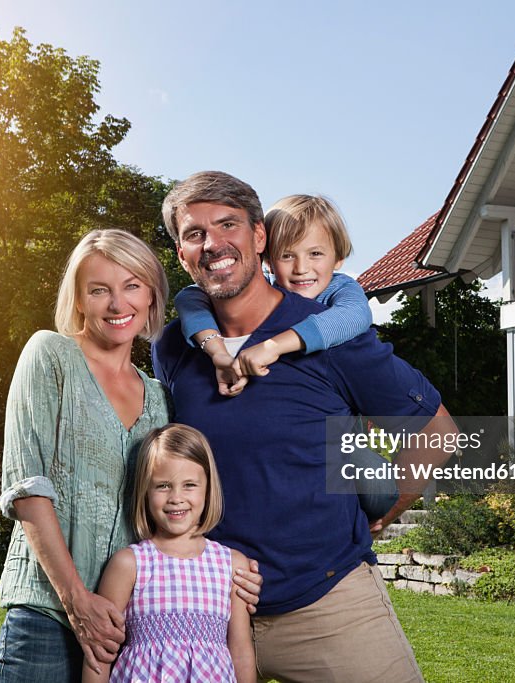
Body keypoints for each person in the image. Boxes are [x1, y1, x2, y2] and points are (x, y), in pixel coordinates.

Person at [153, 171, 457, 683]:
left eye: (227, 224)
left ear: (258, 236)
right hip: (208, 613)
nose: (213, 243)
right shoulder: (174, 348)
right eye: (194, 233)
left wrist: (383, 512)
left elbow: (439, 433)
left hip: (329, 602)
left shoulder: (333, 334)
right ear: (182, 253)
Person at [0, 229, 261, 682]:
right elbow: (27, 488)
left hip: (133, 630)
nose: (118, 305)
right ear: (78, 299)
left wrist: (229, 574)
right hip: (48, 612)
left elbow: (178, 497)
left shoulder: (159, 396)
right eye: (100, 290)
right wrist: (77, 601)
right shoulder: (50, 355)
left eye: (132, 286)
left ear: (152, 295)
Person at [174, 193, 396, 520]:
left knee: (375, 489)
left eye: (316, 253)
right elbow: (189, 297)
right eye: (287, 255)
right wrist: (217, 350)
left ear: (337, 259)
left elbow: (354, 316)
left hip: (347, 453)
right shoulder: (259, 291)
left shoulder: (340, 290)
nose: (302, 268)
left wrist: (274, 346)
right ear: (267, 259)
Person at [82, 423, 256, 683]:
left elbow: (241, 650)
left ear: (208, 489)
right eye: (163, 486)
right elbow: (100, 651)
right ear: (145, 491)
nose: (176, 497)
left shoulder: (231, 565)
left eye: (189, 485)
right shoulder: (129, 564)